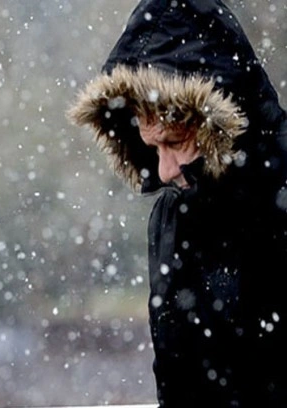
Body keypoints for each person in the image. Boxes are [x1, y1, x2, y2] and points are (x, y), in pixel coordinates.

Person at [68, 0, 287, 406]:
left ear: (219, 118)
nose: (164, 171)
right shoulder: (173, 218)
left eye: (174, 143)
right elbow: (178, 382)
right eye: (153, 148)